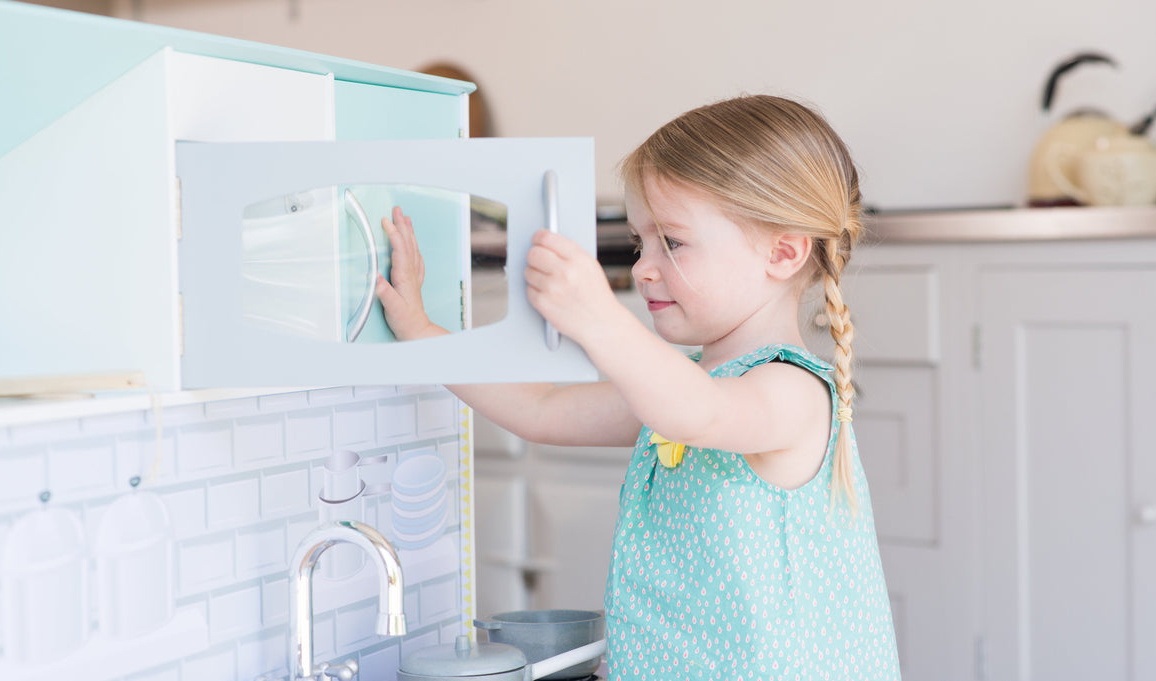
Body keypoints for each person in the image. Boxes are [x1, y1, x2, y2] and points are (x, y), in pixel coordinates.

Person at [376, 94, 901, 680]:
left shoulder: (792, 391)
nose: (643, 267)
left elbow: (701, 413)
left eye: (672, 242)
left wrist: (600, 318)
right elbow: (540, 409)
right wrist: (422, 332)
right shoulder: (685, 386)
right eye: (638, 243)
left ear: (782, 253)